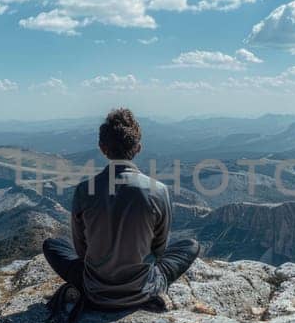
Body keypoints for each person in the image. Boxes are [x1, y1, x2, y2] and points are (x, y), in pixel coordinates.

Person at [42, 108, 200, 312]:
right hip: (143, 290)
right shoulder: (158, 191)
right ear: (138, 148)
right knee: (191, 246)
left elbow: (81, 251)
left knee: (51, 245)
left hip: (94, 290)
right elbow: (159, 249)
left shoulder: (84, 190)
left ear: (102, 148)